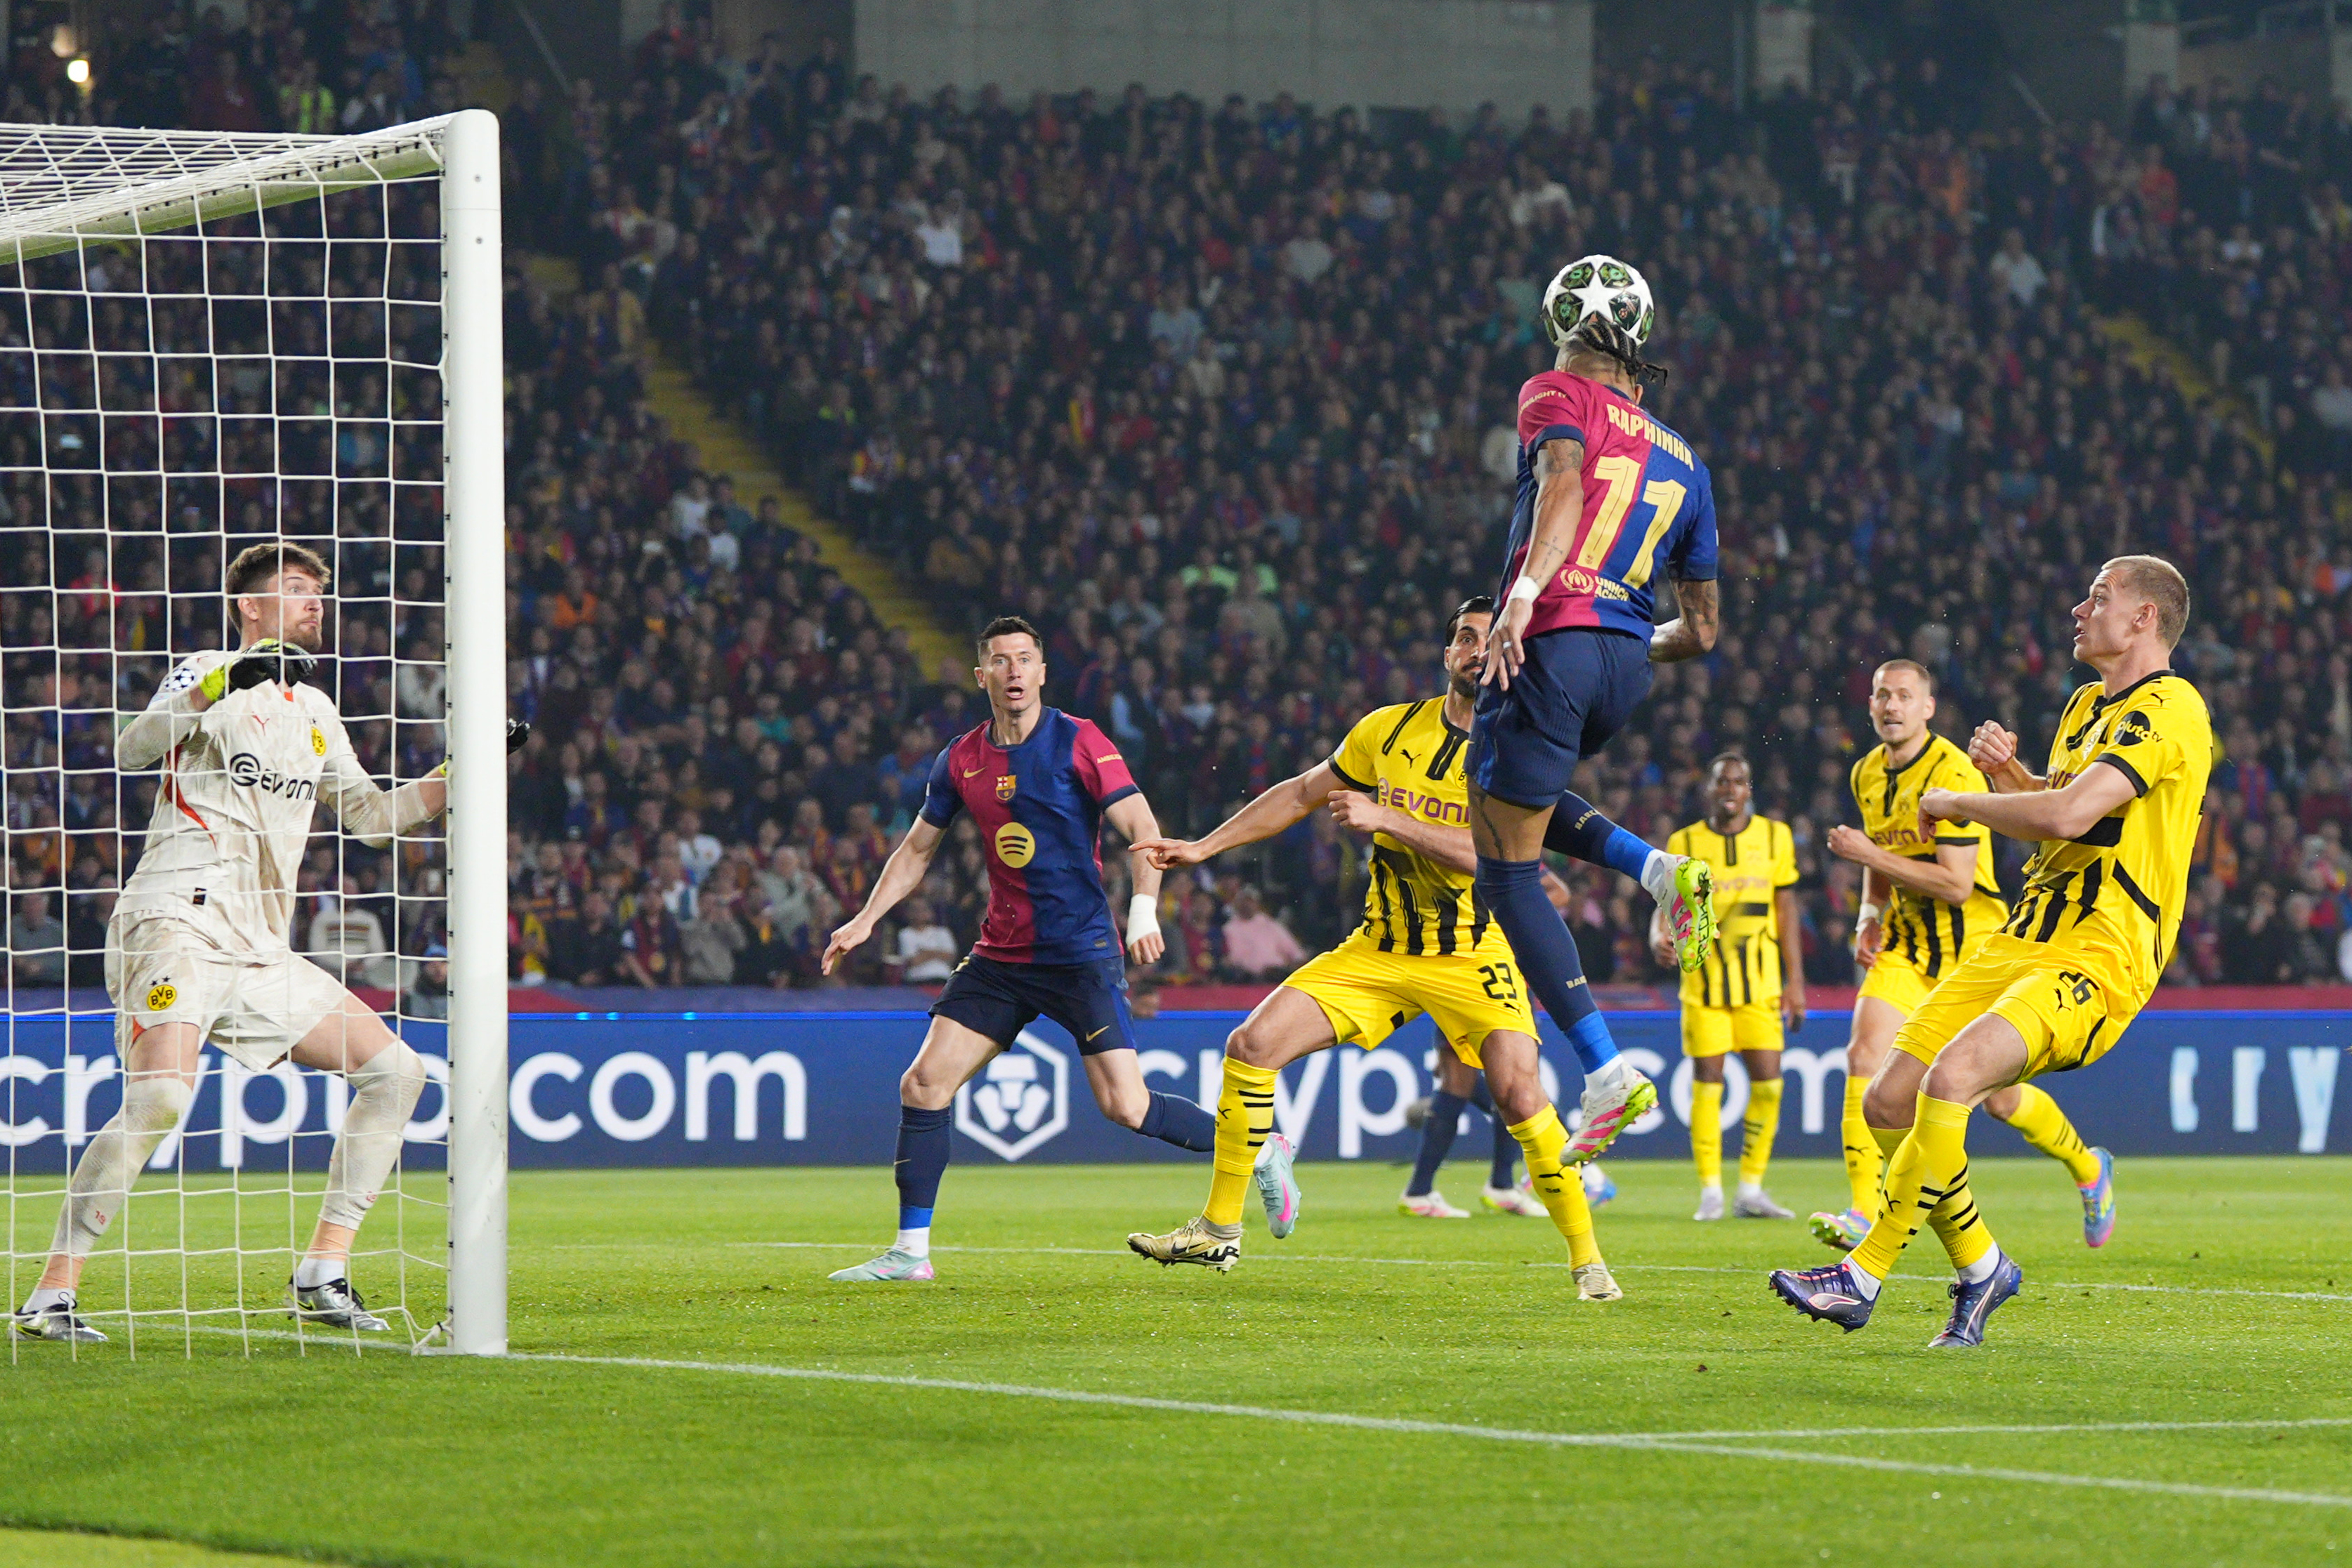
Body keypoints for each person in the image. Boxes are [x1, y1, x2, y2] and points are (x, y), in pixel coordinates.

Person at [13, 542, 522, 1344]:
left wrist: (470, 768)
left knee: (398, 1072)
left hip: (258, 947)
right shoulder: (204, 668)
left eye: (318, 592)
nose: (315, 603)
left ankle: (323, 1268)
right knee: (163, 1100)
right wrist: (222, 682)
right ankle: (50, 1295)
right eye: (295, 591)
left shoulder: (318, 712)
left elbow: (371, 817)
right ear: (252, 607)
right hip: (177, 916)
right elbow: (133, 746)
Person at [1126, 598, 1626, 1300]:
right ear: (1447, 653)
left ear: (1510, 654)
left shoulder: (1520, 749)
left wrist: (1387, 815)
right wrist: (1204, 845)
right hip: (1379, 948)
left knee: (1518, 1094)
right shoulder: (1387, 731)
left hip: (1471, 953)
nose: (1474, 650)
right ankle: (1218, 1228)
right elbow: (1302, 792)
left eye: (1488, 639)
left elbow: (1498, 858)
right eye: (1462, 637)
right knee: (1250, 1044)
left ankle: (1588, 1262)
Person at [1771, 558, 2208, 1347]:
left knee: (1960, 1075)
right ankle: (1981, 1266)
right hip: (2020, 937)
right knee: (1886, 1102)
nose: (2079, 607)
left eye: (2098, 597)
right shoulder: (2083, 705)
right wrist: (2013, 775)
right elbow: (2066, 799)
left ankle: (1861, 1273)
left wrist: (1961, 797)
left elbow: (2073, 813)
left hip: (2098, 951)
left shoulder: (2171, 709)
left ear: (2144, 618)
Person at [820, 616, 1217, 1282]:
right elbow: (918, 847)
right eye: (999, 661)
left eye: (1024, 659)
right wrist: (866, 919)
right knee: (922, 1084)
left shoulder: (1078, 741)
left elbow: (1144, 830)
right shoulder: (961, 758)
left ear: (1040, 672)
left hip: (1079, 953)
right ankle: (910, 1254)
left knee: (1127, 1106)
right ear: (981, 676)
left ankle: (1259, 1145)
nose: (1012, 671)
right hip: (1001, 958)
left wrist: (1142, 910)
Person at [1467, 254, 1721, 1168]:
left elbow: (1565, 483)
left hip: (1558, 635)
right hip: (1625, 659)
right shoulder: (1686, 458)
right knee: (1501, 808)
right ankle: (1654, 867)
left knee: (1503, 873)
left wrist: (1529, 595)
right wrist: (1618, 638)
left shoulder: (1554, 391)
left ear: (1562, 326)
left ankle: (1607, 1072)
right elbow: (1700, 629)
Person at [1811, 659, 2113, 1253]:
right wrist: (1869, 916)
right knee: (1863, 1055)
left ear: (1927, 707)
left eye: (1903, 695)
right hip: (1904, 942)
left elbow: (1955, 883)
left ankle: (2087, 1167)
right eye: (1880, 695)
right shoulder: (1865, 773)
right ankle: (1862, 1206)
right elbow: (1881, 860)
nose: (1889, 706)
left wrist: (1864, 854)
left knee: (1999, 1100)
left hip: (1973, 947)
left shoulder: (1952, 769)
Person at [1653, 751, 1806, 1221]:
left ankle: (1751, 1189)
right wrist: (1658, 935)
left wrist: (1795, 980)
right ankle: (1711, 1191)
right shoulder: (1684, 840)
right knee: (1707, 1085)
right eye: (1721, 781)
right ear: (1710, 789)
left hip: (1760, 984)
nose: (1729, 789)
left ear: (1748, 791)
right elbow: (1663, 900)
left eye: (1737, 781)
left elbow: (1785, 908)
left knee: (1769, 1084)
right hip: (1703, 983)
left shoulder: (1775, 837)